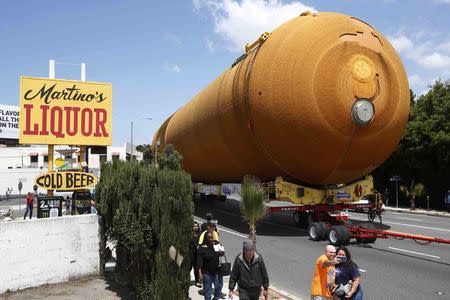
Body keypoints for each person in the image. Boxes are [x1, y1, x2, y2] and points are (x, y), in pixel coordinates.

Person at [197, 232, 224, 300]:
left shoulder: (215, 245)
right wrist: (199, 273)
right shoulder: (201, 249)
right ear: (205, 239)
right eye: (209, 238)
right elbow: (199, 262)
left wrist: (222, 252)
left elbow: (222, 254)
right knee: (208, 290)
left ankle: (216, 297)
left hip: (216, 271)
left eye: (212, 237)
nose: (211, 239)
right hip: (206, 273)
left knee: (218, 286)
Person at [191, 222, 202, 287]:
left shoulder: (200, 234)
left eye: (196, 226)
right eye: (194, 226)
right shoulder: (190, 234)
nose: (195, 227)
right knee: (188, 267)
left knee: (196, 267)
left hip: (197, 253)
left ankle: (197, 281)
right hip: (190, 252)